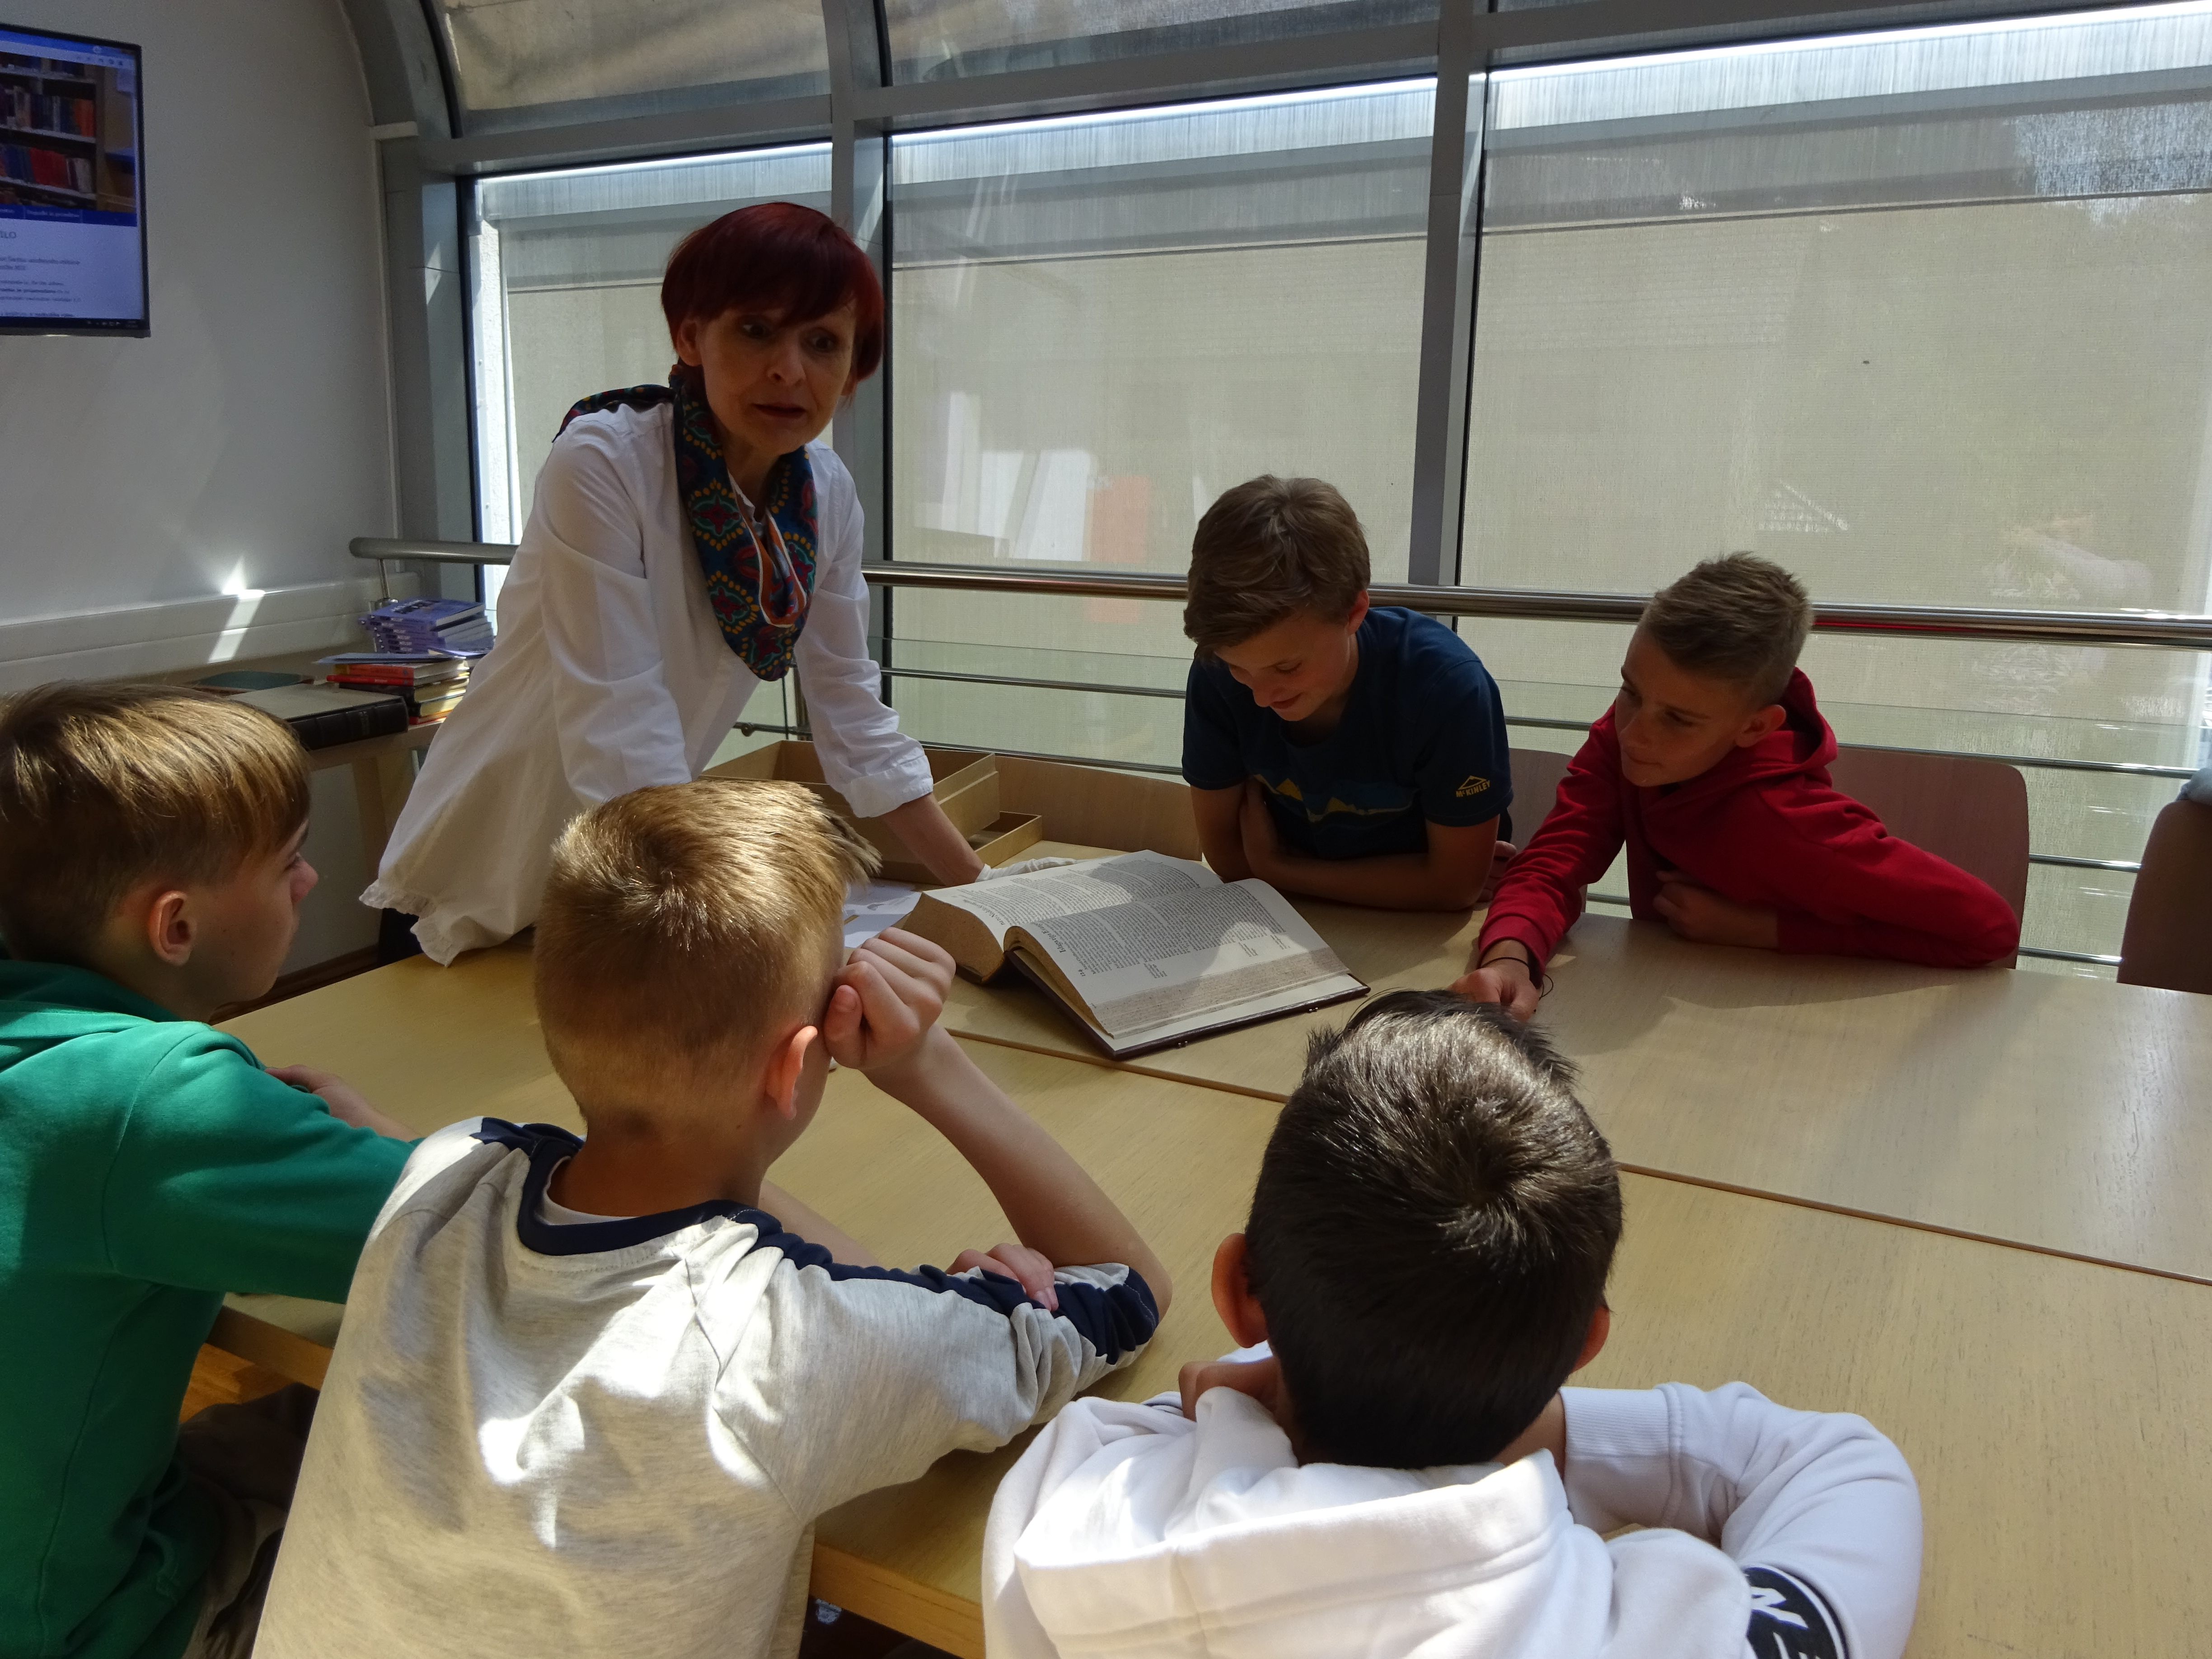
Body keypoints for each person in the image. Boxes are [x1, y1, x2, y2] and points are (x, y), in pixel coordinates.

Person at [258, 778, 1171, 1659]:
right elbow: (1130, 1290)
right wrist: (928, 1063)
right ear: (796, 1065)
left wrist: (885, 1302)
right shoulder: (800, 1349)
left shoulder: (442, 1177)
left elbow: (727, 1226)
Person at [982, 990, 1923, 1659]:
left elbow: (1174, 1418)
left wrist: (1256, 1387)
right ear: (1584, 1346)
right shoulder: (1671, 1637)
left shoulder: (1066, 1519)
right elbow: (1840, 1464)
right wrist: (1519, 1404)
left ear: (1238, 1291)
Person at [367, 202, 987, 965]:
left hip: (629, 876)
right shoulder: (606, 462)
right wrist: (735, 925)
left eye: (823, 342)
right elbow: (622, 720)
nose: (790, 370)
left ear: (854, 366)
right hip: (480, 869)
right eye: (756, 330)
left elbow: (852, 712)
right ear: (691, 336)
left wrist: (982, 892)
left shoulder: (824, 495)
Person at [0, 683, 415, 1659]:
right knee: (430, 1414)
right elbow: (465, 1233)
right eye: (288, 861)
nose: (311, 881)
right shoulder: (158, 1100)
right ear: (176, 927)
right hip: (82, 1627)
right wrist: (388, 1137)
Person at [1456, 554, 2019, 1018]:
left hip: (1790, 1036)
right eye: (1630, 691)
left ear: (1755, 728)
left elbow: (1989, 931)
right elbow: (1555, 862)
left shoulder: (1794, 827)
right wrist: (1510, 958)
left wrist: (1770, 931)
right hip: (1668, 1002)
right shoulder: (1627, 736)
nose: (1632, 732)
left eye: (1678, 719)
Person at [1181, 476, 1513, 910]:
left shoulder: (1446, 688)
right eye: (1238, 667)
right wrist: (1415, 878)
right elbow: (1228, 858)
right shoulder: (1215, 673)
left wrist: (1277, 869)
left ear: (1354, 611)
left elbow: (1455, 888)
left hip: (1425, 930)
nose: (1261, 697)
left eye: (1287, 667)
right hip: (1295, 914)